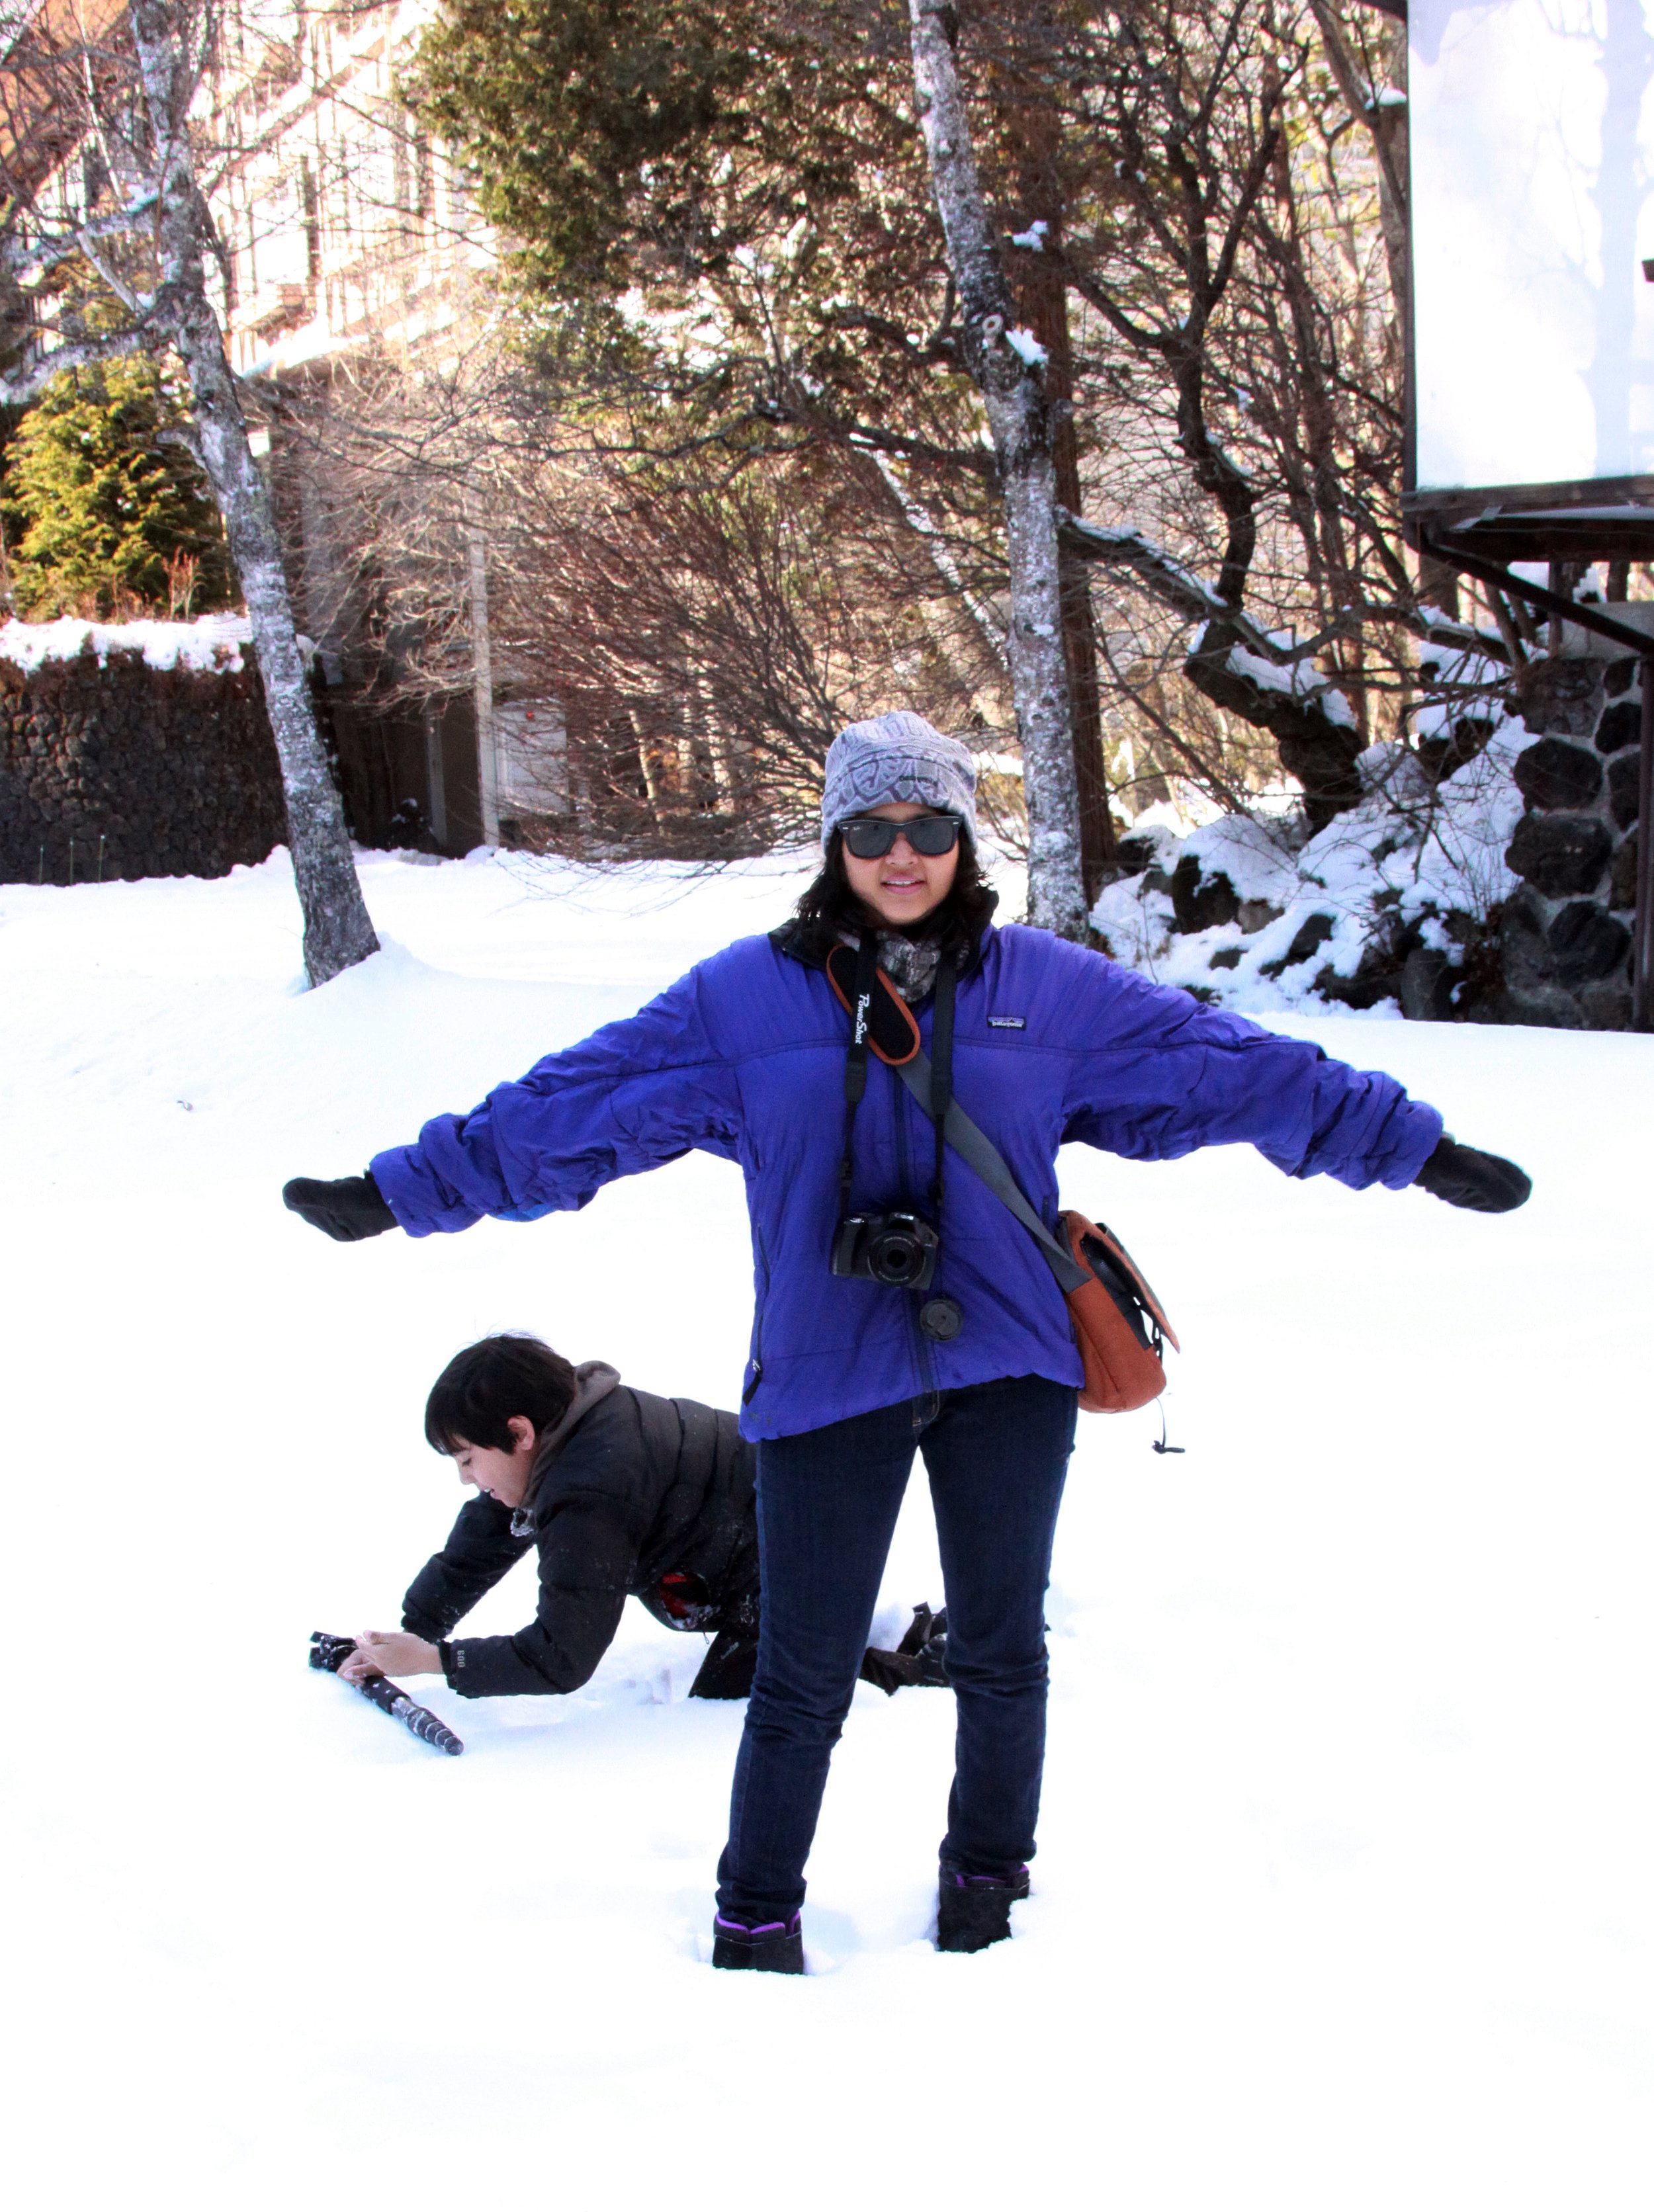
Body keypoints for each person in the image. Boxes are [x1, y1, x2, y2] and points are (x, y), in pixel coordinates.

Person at [284, 711, 1532, 1975]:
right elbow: (572, 1103)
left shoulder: (1044, 985)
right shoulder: (744, 996)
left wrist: (1412, 1146)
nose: (901, 852)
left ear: (960, 836)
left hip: (1009, 1363)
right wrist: (399, 1191)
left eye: (928, 825)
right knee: (803, 1670)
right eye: (870, 828)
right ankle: (756, 1914)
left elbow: (1222, 1062)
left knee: (1002, 1649)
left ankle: (988, 1897)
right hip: (829, 1369)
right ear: (835, 842)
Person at [336, 1330, 947, 1705]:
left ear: (518, 1432)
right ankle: (858, 1634)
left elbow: (561, 1659)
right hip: (804, 1528)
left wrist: (437, 1662)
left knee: (748, 1692)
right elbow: (489, 1534)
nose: (467, 1479)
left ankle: (919, 1667)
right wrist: (412, 1629)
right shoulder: (571, 1428)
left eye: (468, 1459)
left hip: (808, 1552)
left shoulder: (592, 1488)